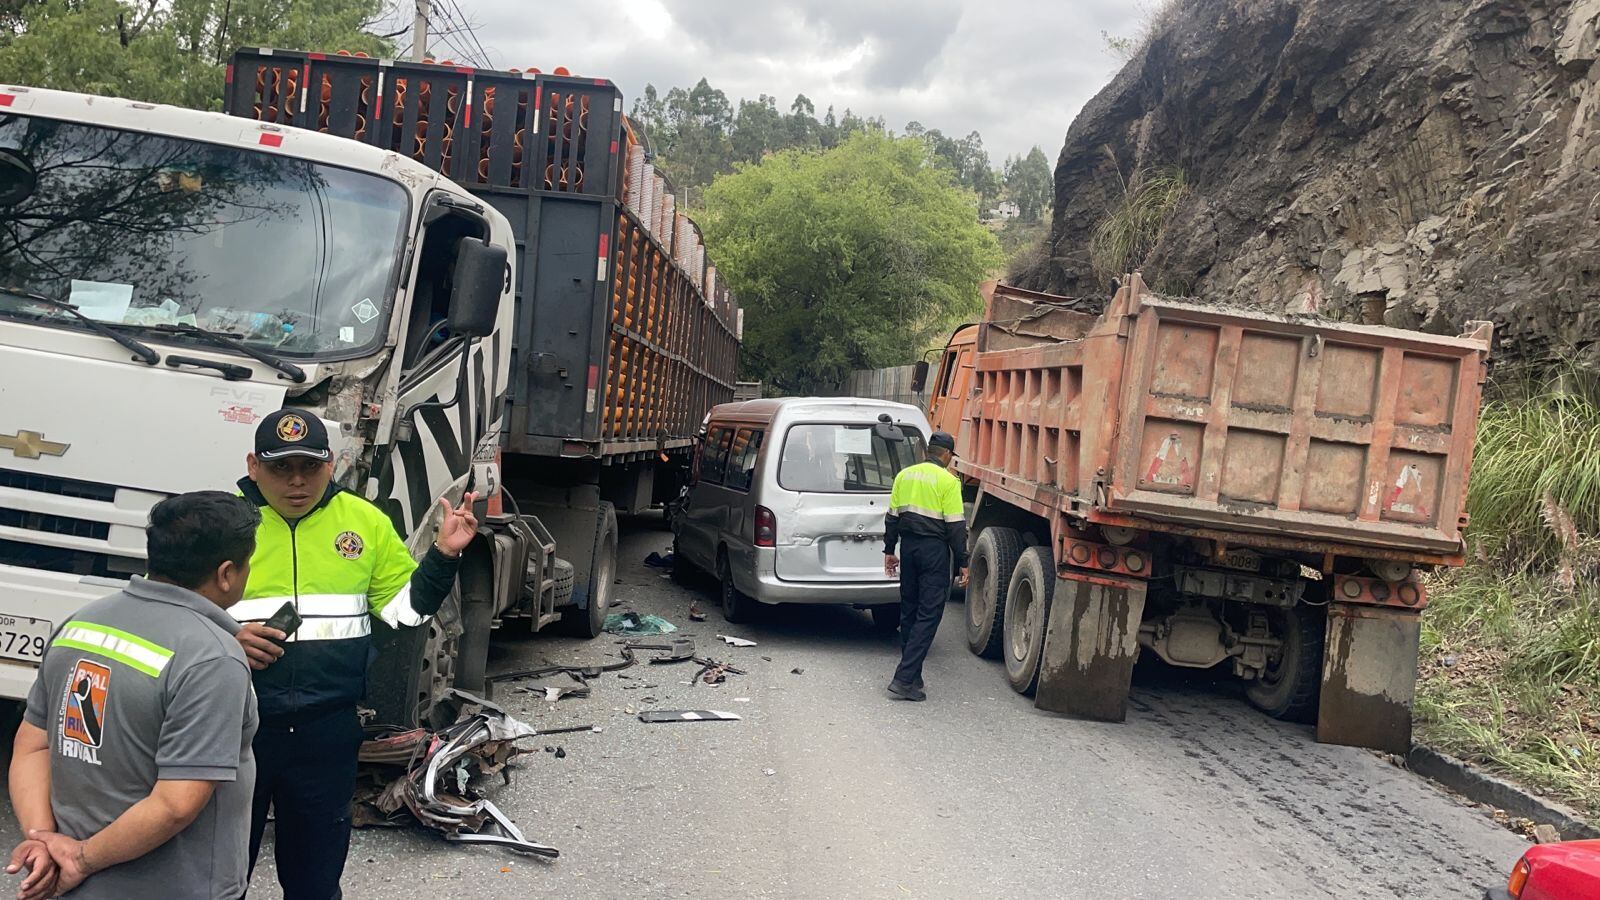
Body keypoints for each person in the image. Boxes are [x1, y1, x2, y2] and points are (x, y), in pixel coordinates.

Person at [232, 408, 477, 899]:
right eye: (281, 467)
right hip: (236, 728)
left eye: (309, 466)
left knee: (316, 882)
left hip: (327, 733)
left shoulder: (364, 521)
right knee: (219, 877)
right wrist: (226, 639)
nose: (296, 481)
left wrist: (444, 557)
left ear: (331, 465)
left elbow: (405, 613)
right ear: (254, 466)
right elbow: (175, 614)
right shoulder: (223, 522)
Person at [7, 492, 261, 899]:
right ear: (227, 572)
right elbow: (176, 804)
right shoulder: (212, 657)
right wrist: (80, 859)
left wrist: (42, 838)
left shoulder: (81, 624)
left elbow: (32, 745)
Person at [882, 430, 969, 702]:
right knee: (929, 614)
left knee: (909, 611)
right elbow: (956, 527)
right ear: (946, 455)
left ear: (927, 451)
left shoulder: (904, 475)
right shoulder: (949, 482)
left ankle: (914, 676)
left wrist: (888, 550)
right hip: (934, 552)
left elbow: (892, 517)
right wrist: (963, 563)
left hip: (908, 549)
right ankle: (904, 678)